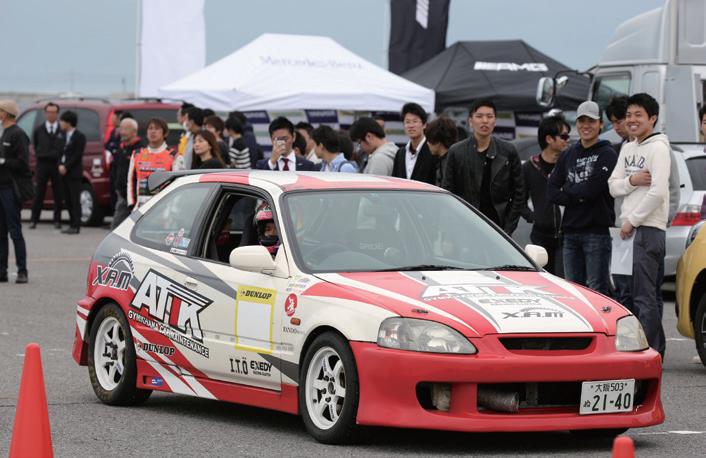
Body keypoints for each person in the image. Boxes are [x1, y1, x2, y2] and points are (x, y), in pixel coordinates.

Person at [608, 93, 670, 358]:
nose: (632, 120)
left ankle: (649, 355)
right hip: (626, 231)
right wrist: (632, 181)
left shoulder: (659, 148)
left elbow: (658, 192)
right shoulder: (627, 148)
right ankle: (648, 351)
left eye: (638, 115)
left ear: (652, 118)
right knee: (629, 296)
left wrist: (632, 221)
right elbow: (613, 186)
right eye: (629, 115)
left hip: (647, 230)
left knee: (645, 297)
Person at [547, 101, 617, 295]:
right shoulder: (568, 154)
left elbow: (592, 190)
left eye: (591, 121)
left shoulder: (607, 153)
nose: (586, 126)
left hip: (597, 233)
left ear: (600, 124)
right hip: (570, 232)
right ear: (576, 123)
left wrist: (569, 192)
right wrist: (577, 196)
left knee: (597, 289)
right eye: (582, 121)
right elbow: (551, 190)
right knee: (573, 290)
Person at [442, 99, 524, 235]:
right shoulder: (456, 152)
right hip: (465, 224)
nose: (485, 121)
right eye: (479, 116)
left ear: (495, 121)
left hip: (498, 225)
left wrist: (508, 228)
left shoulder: (508, 151)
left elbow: (519, 193)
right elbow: (448, 191)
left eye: (489, 116)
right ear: (470, 121)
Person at [521, 116, 570, 276]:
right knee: (544, 280)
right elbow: (519, 199)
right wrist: (534, 217)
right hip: (540, 237)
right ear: (549, 139)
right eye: (563, 136)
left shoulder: (569, 164)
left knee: (564, 280)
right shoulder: (529, 167)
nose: (567, 140)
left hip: (567, 235)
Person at [0, 100, 30, 283]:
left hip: (11, 189)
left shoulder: (18, 134)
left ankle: (22, 271)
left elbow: (23, 163)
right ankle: (2, 271)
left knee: (15, 231)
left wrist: (4, 162)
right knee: (0, 232)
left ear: (5, 113)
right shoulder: (4, 132)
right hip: (1, 187)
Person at [127, 118, 176, 209]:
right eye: (150, 128)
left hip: (164, 208)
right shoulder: (137, 154)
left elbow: (178, 184)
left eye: (157, 128)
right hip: (141, 207)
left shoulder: (174, 156)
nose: (153, 131)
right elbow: (130, 180)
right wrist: (131, 204)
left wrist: (173, 208)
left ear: (165, 133)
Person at [30, 102, 64, 229]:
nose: (51, 115)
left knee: (58, 193)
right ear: (45, 113)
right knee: (39, 192)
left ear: (57, 114)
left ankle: (57, 220)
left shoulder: (61, 130)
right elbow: (35, 145)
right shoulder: (39, 130)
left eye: (53, 112)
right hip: (42, 164)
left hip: (57, 164)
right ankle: (34, 219)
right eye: (49, 112)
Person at [392, 103, 438, 184]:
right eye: (407, 122)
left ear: (424, 125)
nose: (411, 126)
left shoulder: (432, 150)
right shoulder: (400, 153)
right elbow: (394, 181)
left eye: (415, 121)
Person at [110, 118, 143, 227]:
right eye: (121, 128)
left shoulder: (140, 149)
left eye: (126, 129)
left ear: (134, 131)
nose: (122, 132)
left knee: (117, 226)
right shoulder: (122, 147)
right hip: (121, 193)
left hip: (133, 195)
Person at [58, 110, 85, 235]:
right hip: (63, 173)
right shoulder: (62, 136)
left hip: (73, 173)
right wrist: (59, 164)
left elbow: (77, 155)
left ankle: (76, 225)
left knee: (75, 200)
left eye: (62, 121)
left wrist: (66, 166)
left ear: (68, 122)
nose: (60, 123)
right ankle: (71, 223)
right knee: (67, 200)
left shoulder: (80, 137)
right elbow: (59, 153)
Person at [424, 116, 458, 187]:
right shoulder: (455, 159)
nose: (427, 143)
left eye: (429, 140)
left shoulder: (448, 164)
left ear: (437, 141)